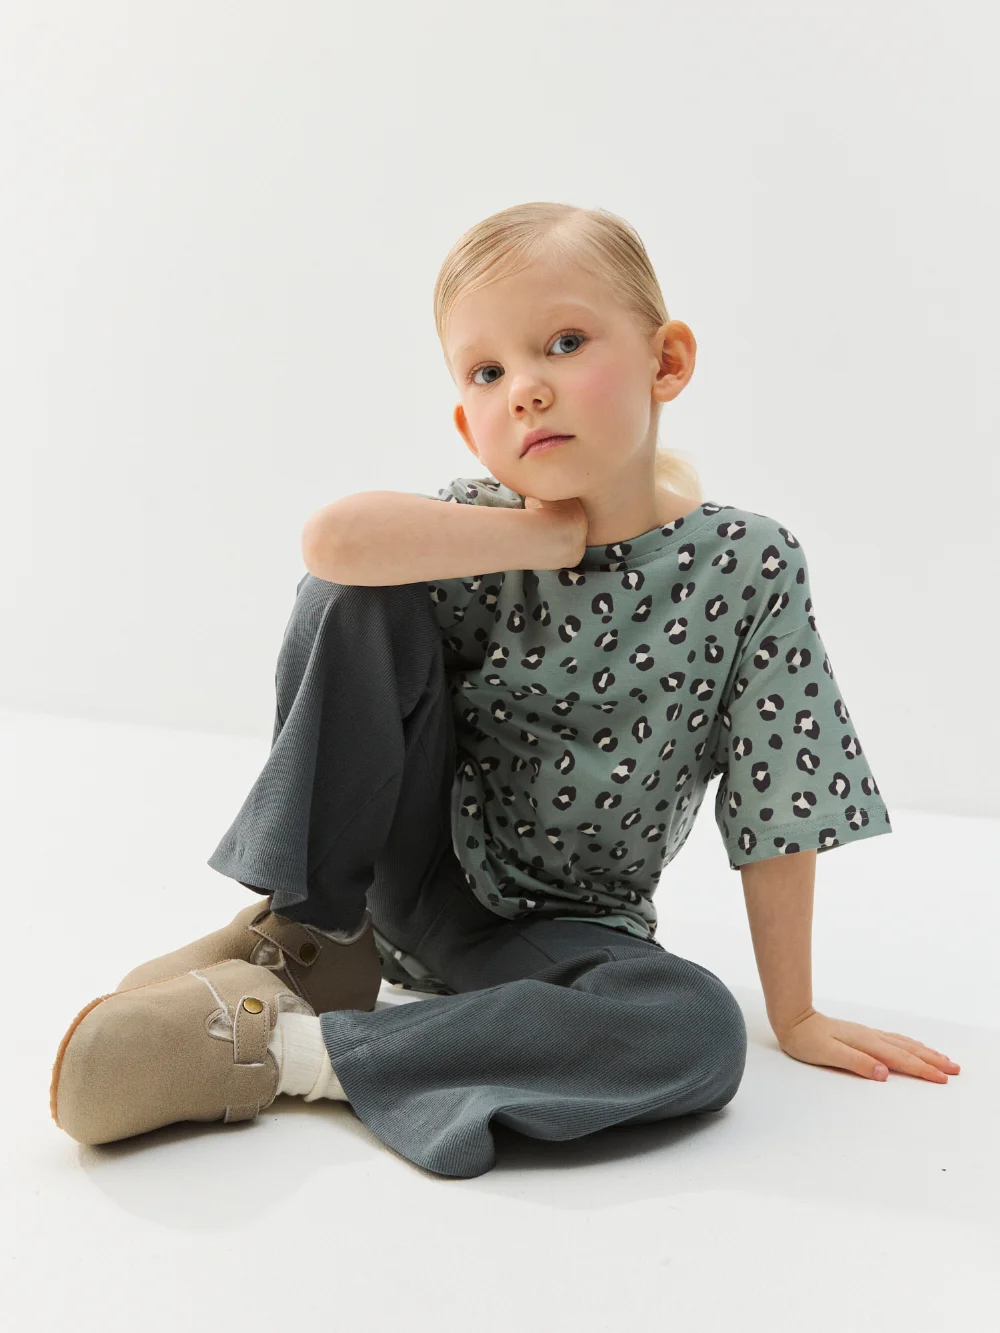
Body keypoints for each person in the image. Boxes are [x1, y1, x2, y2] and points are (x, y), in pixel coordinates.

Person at [50, 201, 958, 1179]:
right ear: (465, 421)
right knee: (357, 591)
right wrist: (540, 533)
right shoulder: (471, 530)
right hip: (406, 874)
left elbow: (780, 796)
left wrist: (796, 1012)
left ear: (666, 362)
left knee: (696, 1024)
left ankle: (281, 1050)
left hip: (558, 934)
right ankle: (307, 936)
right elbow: (332, 543)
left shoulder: (744, 565)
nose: (525, 389)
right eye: (486, 373)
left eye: (564, 343)